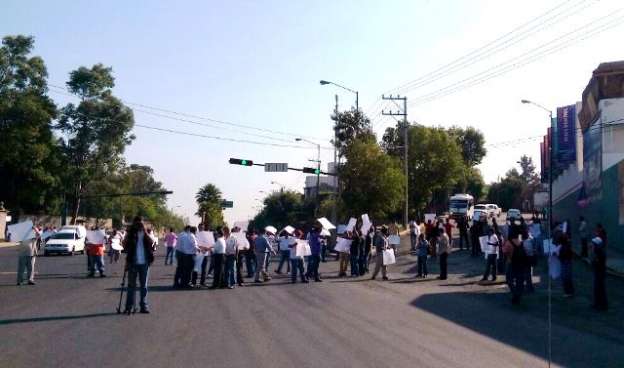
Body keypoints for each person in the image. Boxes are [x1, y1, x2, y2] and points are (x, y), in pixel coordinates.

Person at [123, 216, 156, 314]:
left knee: (144, 286)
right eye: (137, 223)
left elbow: (152, 243)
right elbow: (125, 246)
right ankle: (129, 306)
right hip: (133, 262)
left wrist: (145, 231)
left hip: (144, 263)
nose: (139, 225)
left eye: (140, 223)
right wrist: (130, 233)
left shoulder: (146, 234)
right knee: (131, 286)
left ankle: (144, 306)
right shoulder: (130, 234)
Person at [504, 236, 527, 305]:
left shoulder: (508, 242)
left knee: (509, 279)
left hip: (511, 263)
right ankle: (518, 296)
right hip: (520, 263)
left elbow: (504, 252)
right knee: (519, 281)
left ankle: (515, 294)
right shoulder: (521, 241)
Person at [591, 229, 608, 311]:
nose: (592, 245)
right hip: (599, 273)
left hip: (600, 273)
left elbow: (595, 263)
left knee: (600, 289)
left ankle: (602, 304)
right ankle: (598, 303)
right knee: (598, 289)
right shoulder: (599, 253)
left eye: (594, 244)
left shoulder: (600, 254)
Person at [559, 229, 575, 297]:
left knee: (565, 278)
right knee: (568, 277)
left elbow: (561, 256)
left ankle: (568, 292)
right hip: (568, 262)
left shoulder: (563, 247)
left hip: (565, 263)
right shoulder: (567, 246)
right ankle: (570, 291)